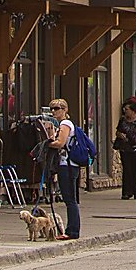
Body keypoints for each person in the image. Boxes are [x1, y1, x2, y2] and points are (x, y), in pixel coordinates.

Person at [47, 97, 81, 238]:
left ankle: (72, 231)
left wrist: (48, 143)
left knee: (70, 199)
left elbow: (60, 143)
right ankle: (71, 229)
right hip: (67, 165)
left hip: (67, 165)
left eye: (57, 108)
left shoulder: (65, 124)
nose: (54, 111)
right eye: (52, 109)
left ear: (65, 110)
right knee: (69, 198)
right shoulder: (60, 124)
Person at [115, 99, 136, 198]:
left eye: (127, 109)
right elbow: (117, 131)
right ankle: (127, 192)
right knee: (127, 170)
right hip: (125, 148)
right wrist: (120, 135)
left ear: (133, 110)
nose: (125, 111)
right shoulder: (122, 120)